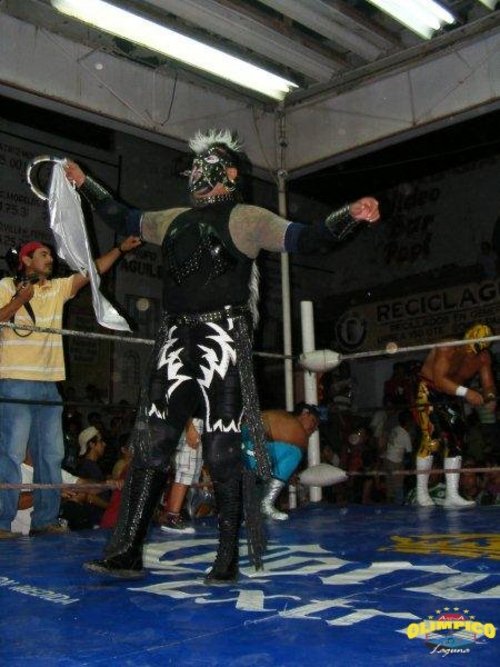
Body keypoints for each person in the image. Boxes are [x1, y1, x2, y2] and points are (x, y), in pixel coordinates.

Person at [64, 128, 380, 583]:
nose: (196, 173)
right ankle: (127, 550)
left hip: (224, 338)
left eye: (205, 164)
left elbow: (307, 239)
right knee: (151, 446)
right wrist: (83, 182)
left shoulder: (247, 218)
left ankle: (227, 556)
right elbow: (123, 217)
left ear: (230, 174)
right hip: (175, 338)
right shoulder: (172, 219)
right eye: (193, 166)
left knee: (222, 449)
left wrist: (348, 214)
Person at [0, 236, 141, 539]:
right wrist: (19, 301)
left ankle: (45, 519)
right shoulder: (5, 286)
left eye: (51, 255)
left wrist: (119, 249)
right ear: (26, 260)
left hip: (50, 385)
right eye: (43, 254)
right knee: (11, 453)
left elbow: (92, 271)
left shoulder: (57, 288)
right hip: (15, 381)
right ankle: (1, 523)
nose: (50, 259)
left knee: (50, 455)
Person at [413, 323, 496, 507]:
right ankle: (421, 492)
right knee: (431, 440)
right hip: (429, 389)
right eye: (470, 347)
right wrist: (467, 393)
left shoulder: (483, 357)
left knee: (456, 440)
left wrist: (490, 397)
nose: (471, 353)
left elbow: (488, 384)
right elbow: (439, 380)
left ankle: (451, 495)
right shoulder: (447, 347)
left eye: (476, 349)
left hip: (451, 394)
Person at [242, 403, 320, 520]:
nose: (314, 429)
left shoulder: (284, 424)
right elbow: (249, 429)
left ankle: (255, 509)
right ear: (305, 414)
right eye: (313, 421)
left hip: (246, 452)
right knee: (293, 453)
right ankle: (264, 505)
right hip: (243, 447)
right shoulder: (288, 421)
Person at [159, 418, 203, 535]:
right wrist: (189, 427)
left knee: (190, 472)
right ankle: (171, 517)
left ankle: (171, 514)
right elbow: (185, 406)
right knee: (186, 470)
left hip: (200, 422)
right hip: (193, 423)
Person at [383, 410, 413, 505]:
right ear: (408, 422)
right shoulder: (405, 435)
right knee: (398, 485)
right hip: (395, 461)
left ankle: (389, 505)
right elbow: (409, 452)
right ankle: (398, 505)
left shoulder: (395, 429)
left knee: (389, 484)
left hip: (387, 458)